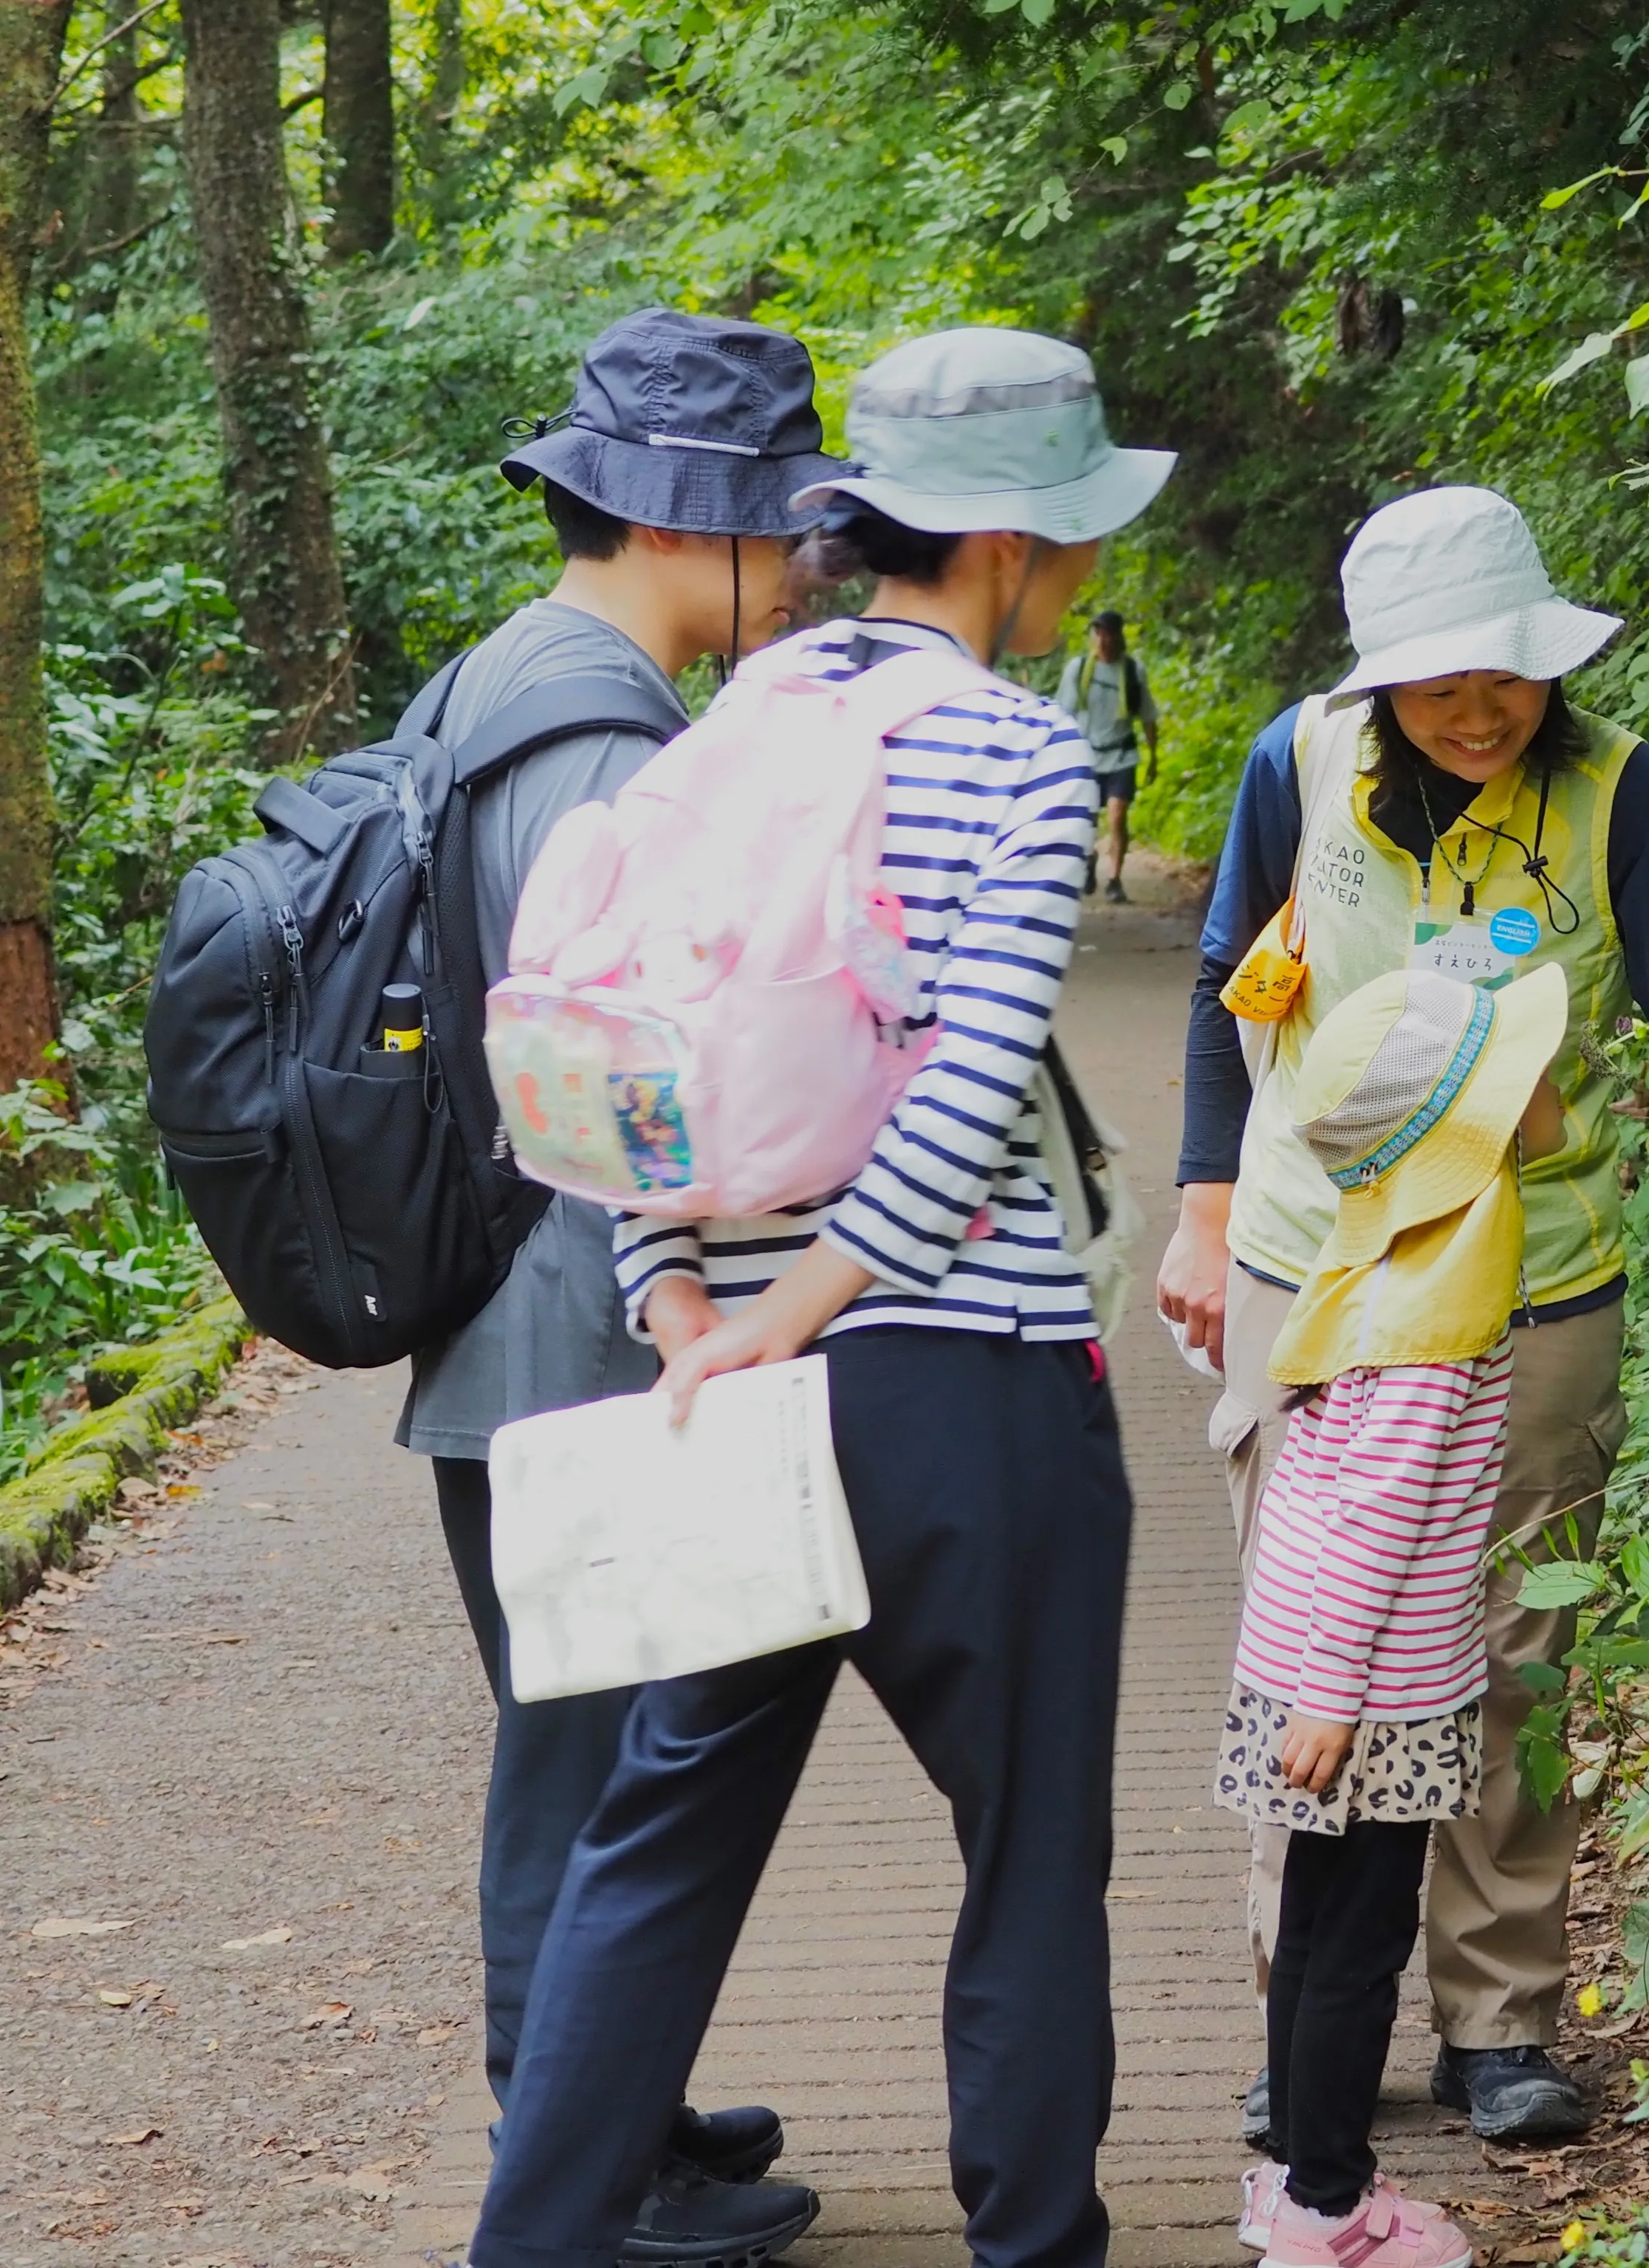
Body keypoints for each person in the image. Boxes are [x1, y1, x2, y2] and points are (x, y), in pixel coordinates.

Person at [463, 325, 1171, 2268]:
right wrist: (827, 1300)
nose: (1083, 572)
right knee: (1029, 1858)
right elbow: (975, 1083)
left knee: (660, 1846)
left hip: (743, 1395)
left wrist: (688, 1306)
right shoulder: (1026, 753)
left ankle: (534, 2249)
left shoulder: (735, 727)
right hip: (974, 1383)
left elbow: (631, 1045)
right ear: (1011, 549)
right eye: (1078, 538)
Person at [1156, 485, 1649, 2149]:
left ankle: (1498, 2020)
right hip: (1313, 1265)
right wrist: (1203, 1203)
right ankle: (1304, 2022)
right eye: (1437, 682)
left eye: (1503, 674)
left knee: (1512, 1649)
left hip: (1533, 1277)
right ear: (1381, 682)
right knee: (1313, 1645)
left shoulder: (1623, 788)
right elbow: (1230, 975)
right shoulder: (1300, 760)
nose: (1475, 708)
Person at [401, 306, 833, 2253]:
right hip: (573, 1323)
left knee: (595, 1744)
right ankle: (578, 2173)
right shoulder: (598, 736)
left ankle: (619, 2112)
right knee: (583, 1765)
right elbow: (608, 1072)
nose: (804, 567)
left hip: (522, 1317)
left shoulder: (509, 676)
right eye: (778, 527)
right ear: (678, 521)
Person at [1218, 962, 1574, 2268]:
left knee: (1316, 1921)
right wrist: (1333, 1696)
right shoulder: (1440, 1309)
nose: (1553, 1077)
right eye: (1523, 1070)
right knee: (1357, 1942)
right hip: (1371, 1685)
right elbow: (1378, 1515)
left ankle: (1292, 2186)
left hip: (1315, 1653)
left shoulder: (1381, 1259)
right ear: (1465, 1129)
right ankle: (1331, 2210)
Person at [1057, 608, 1161, 901]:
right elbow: (1063, 713)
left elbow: (1148, 716)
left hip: (1121, 754)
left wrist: (1153, 756)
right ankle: (1089, 858)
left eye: (1108, 634)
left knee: (1117, 816)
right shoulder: (1078, 670)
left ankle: (1114, 879)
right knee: (1086, 819)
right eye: (1098, 633)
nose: (1103, 640)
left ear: (1119, 637)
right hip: (1086, 754)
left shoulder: (1132, 672)